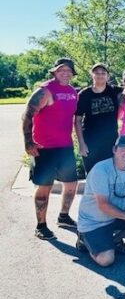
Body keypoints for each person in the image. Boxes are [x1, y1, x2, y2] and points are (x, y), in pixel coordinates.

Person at [76, 135, 125, 266]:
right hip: (94, 222)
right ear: (114, 149)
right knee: (106, 260)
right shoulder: (100, 169)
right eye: (124, 148)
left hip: (117, 216)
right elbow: (103, 205)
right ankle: (83, 239)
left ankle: (115, 241)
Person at [22, 57, 79, 240]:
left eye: (69, 70)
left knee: (71, 184)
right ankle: (41, 225)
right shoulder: (45, 90)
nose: (65, 73)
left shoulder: (72, 92)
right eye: (62, 70)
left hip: (65, 147)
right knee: (44, 186)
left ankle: (63, 216)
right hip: (44, 148)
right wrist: (28, 141)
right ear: (54, 71)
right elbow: (27, 115)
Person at [75, 63, 123, 174]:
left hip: (110, 142)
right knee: (93, 175)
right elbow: (77, 120)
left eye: (103, 73)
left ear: (108, 76)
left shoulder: (115, 91)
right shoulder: (84, 94)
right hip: (90, 142)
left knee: (110, 174)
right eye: (97, 73)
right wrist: (81, 144)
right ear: (92, 75)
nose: (100, 75)